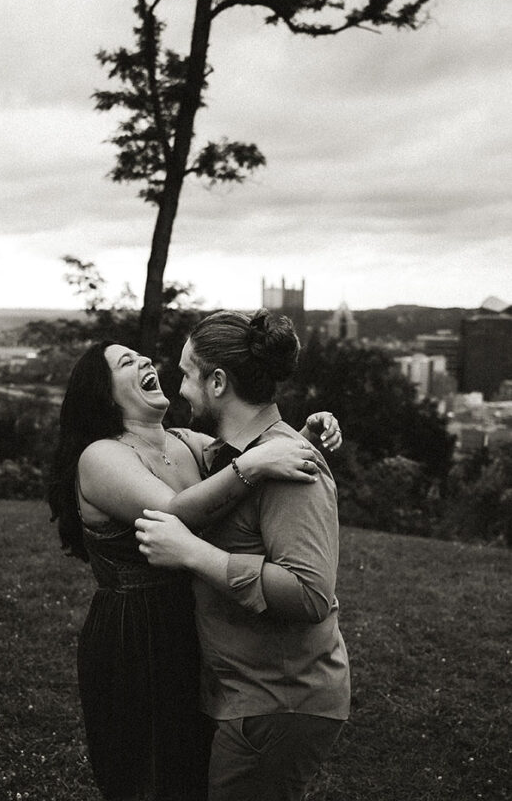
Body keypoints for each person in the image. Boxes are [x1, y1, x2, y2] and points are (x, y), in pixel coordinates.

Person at [48, 338, 341, 801]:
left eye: (140, 354)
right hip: (134, 631)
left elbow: (248, 453)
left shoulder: (187, 443)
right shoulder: (101, 456)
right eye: (127, 362)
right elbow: (178, 512)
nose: (146, 359)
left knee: (192, 765)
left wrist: (299, 437)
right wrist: (253, 464)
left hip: (192, 622)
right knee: (145, 773)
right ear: (105, 394)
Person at [135, 310, 350, 801]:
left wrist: (194, 554)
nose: (180, 388)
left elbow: (310, 593)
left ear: (217, 382)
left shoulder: (293, 467)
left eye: (188, 374)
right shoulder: (236, 457)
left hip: (281, 702)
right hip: (251, 698)